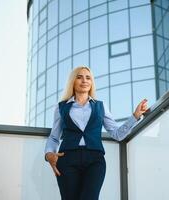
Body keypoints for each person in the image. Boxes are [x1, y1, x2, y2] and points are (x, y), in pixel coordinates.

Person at [44, 66, 148, 200]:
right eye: (79, 77)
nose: (84, 80)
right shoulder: (61, 107)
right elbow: (54, 136)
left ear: (92, 82)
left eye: (88, 78)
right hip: (67, 159)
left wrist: (135, 116)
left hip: (95, 160)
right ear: (73, 82)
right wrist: (49, 155)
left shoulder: (101, 106)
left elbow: (117, 134)